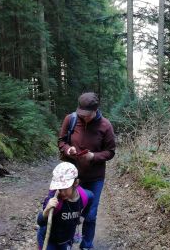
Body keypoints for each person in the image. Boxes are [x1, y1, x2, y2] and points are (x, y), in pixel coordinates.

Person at [58, 92, 116, 249]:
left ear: (96, 110)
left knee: (90, 215)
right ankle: (67, 243)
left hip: (95, 177)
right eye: (81, 114)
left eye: (87, 115)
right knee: (69, 213)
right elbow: (61, 141)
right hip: (72, 178)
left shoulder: (105, 125)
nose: (83, 117)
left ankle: (86, 245)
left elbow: (110, 152)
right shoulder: (71, 119)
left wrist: (93, 156)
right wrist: (68, 149)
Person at [37, 161, 94, 250]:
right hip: (48, 240)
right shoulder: (54, 199)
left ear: (76, 183)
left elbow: (91, 197)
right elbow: (40, 222)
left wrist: (82, 217)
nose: (61, 192)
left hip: (66, 240)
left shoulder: (84, 196)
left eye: (65, 188)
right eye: (59, 188)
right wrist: (47, 210)